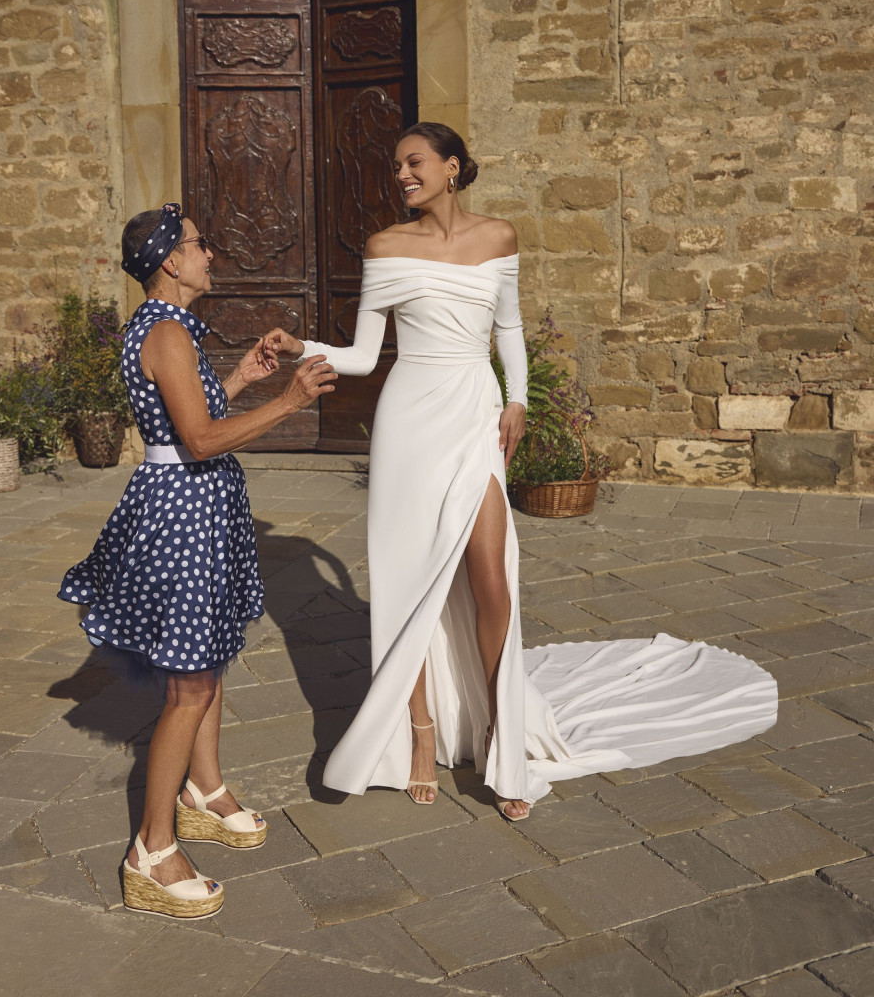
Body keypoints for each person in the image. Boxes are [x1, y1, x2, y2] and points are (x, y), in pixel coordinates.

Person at [264, 122, 779, 820]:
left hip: (474, 415)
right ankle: (418, 736)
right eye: (396, 166)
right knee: (406, 586)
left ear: (451, 168)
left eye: (414, 163)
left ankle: (501, 733)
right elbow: (363, 354)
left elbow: (507, 328)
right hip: (410, 424)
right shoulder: (386, 247)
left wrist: (515, 400)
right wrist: (302, 347)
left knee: (490, 578)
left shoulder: (500, 237)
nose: (402, 175)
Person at [58, 202, 336, 919]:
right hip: (185, 511)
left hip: (194, 507)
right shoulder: (168, 334)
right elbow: (202, 440)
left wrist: (241, 377)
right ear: (170, 262)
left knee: (204, 663)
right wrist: (288, 400)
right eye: (198, 244)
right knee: (187, 686)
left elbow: (182, 417)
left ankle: (202, 792)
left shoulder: (167, 329)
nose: (210, 253)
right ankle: (150, 851)